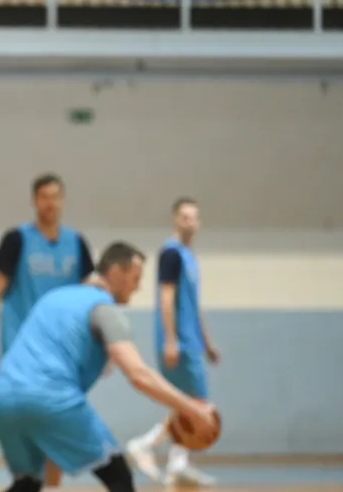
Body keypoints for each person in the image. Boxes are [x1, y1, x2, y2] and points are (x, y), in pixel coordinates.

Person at [0, 242, 219, 492]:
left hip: (4, 399)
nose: (138, 287)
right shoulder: (104, 309)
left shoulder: (54, 297)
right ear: (117, 272)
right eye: (136, 278)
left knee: (26, 485)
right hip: (50, 397)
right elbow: (139, 375)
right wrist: (193, 410)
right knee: (119, 477)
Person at [0, 174, 95, 486]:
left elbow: (92, 300)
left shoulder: (76, 243)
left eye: (56, 196)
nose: (50, 203)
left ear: (63, 200)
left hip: (64, 354)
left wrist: (101, 349)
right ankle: (28, 480)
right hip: (21, 352)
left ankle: (46, 484)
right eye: (44, 196)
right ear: (34, 201)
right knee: (26, 433)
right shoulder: (17, 239)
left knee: (55, 432)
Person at [126, 197, 220, 486]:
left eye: (194, 217)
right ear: (174, 219)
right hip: (178, 342)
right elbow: (166, 298)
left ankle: (177, 464)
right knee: (197, 403)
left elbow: (194, 304)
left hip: (191, 341)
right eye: (184, 216)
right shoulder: (171, 254)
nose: (189, 222)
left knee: (188, 404)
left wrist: (206, 342)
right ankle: (147, 444)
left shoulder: (191, 258)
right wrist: (170, 339)